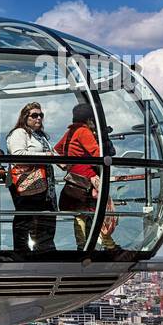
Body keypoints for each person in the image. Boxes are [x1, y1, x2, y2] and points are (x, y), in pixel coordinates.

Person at [55, 102, 119, 250]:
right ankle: (108, 245)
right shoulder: (84, 132)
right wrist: (101, 138)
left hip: (74, 178)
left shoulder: (71, 131)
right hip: (87, 178)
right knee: (100, 212)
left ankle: (82, 245)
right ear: (90, 119)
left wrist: (67, 165)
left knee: (80, 214)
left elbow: (57, 149)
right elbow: (98, 154)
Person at [4, 101, 56, 254]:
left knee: (44, 218)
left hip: (44, 186)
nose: (38, 118)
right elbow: (18, 155)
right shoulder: (19, 133)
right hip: (26, 184)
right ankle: (22, 252)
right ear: (25, 117)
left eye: (41, 115)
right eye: (34, 115)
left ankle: (45, 250)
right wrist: (45, 156)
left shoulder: (40, 136)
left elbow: (51, 153)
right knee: (26, 218)